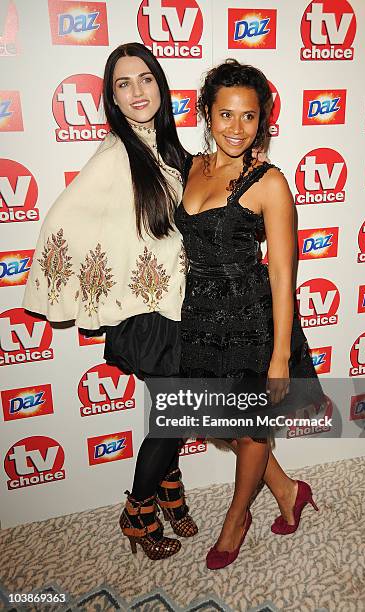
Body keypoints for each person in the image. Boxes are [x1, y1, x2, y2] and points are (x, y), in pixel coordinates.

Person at [23, 42, 197, 561]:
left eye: (145, 79)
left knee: (170, 415)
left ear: (160, 86)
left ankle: (169, 490)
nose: (137, 91)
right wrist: (95, 290)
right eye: (124, 84)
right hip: (147, 317)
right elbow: (63, 222)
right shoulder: (117, 153)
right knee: (178, 415)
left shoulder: (165, 148)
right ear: (112, 98)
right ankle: (138, 510)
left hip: (176, 309)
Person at [174, 59, 325, 570]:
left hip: (251, 322)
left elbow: (283, 273)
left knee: (251, 428)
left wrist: (280, 356)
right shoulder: (191, 168)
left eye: (249, 116)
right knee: (228, 424)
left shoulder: (269, 182)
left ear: (262, 121)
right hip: (201, 319)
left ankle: (237, 518)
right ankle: (287, 490)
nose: (237, 128)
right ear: (206, 115)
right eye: (225, 115)